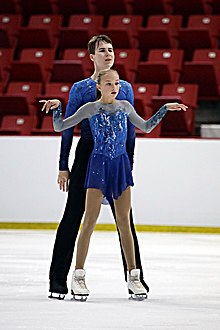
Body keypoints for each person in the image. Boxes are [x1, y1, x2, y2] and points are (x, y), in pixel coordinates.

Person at [40, 68, 187, 300]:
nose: (114, 87)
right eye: (108, 83)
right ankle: (78, 276)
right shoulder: (89, 108)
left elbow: (146, 127)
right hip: (97, 165)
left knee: (124, 223)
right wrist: (58, 106)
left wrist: (164, 109)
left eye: (116, 83)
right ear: (98, 86)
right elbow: (61, 126)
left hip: (120, 166)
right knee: (88, 221)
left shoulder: (125, 107)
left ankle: (134, 276)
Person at [44, 35, 150, 300]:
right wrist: (63, 165)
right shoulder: (80, 89)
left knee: (125, 220)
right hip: (87, 156)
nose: (108, 54)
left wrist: (130, 162)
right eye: (102, 51)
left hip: (117, 159)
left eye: (111, 50)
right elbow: (67, 129)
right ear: (91, 57)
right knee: (73, 217)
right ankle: (58, 281)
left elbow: (131, 131)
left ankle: (135, 278)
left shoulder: (124, 88)